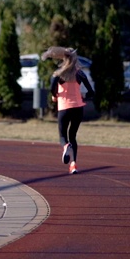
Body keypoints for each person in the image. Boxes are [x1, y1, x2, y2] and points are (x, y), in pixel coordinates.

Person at [42, 46, 95, 174]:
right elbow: (91, 92)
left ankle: (66, 147)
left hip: (64, 108)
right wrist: (83, 96)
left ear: (63, 58)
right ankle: (73, 165)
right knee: (73, 136)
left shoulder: (59, 74)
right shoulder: (80, 73)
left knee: (62, 136)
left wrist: (55, 96)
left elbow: (52, 89)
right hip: (78, 108)